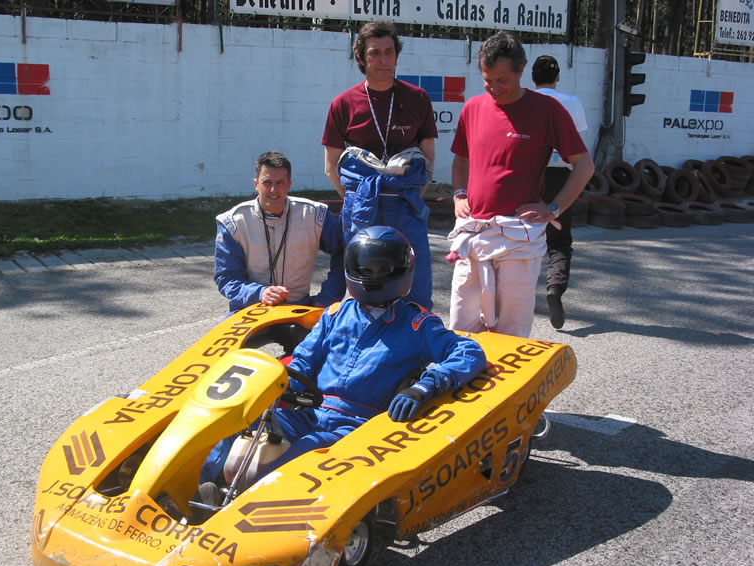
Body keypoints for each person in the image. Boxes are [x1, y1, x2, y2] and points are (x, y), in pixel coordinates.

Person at [200, 226, 486, 488]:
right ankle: (197, 489)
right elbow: (303, 361)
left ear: (400, 270)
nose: (372, 276)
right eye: (366, 269)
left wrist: (425, 386)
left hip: (356, 425)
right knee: (235, 427)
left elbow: (469, 351)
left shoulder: (417, 324)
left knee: (293, 460)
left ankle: (239, 508)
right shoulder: (336, 315)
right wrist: (280, 389)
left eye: (380, 269)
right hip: (309, 410)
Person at [448, 32, 594, 338]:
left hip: (519, 240)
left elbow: (584, 165)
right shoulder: (473, 108)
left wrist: (553, 208)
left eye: (502, 80)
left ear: (520, 71)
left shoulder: (547, 111)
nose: (494, 88)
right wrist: (459, 194)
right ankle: (462, 383)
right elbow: (461, 160)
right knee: (460, 332)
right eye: (487, 79)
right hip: (474, 235)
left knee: (511, 334)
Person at [322, 20, 438, 309]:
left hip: (406, 206)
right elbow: (331, 166)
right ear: (361, 57)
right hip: (362, 209)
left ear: (397, 55)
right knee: (364, 286)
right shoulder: (343, 103)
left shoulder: (418, 98)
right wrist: (356, 200)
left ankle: (414, 347)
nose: (383, 60)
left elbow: (428, 158)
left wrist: (412, 194)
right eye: (375, 53)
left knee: (416, 286)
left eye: (388, 51)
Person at [214, 151, 345, 313]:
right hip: (249, 310)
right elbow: (227, 278)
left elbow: (344, 255)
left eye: (280, 182)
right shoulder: (233, 223)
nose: (273, 190)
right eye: (267, 182)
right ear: (256, 184)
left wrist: (327, 298)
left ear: (289, 184)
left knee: (341, 336)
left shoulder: (315, 215)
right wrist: (260, 293)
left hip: (300, 306)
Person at [531, 55, 589, 329]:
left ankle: (511, 297)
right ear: (557, 78)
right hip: (560, 177)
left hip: (530, 176)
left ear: (531, 77)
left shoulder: (525, 101)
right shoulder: (572, 103)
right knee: (559, 240)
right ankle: (554, 287)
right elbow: (578, 147)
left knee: (520, 236)